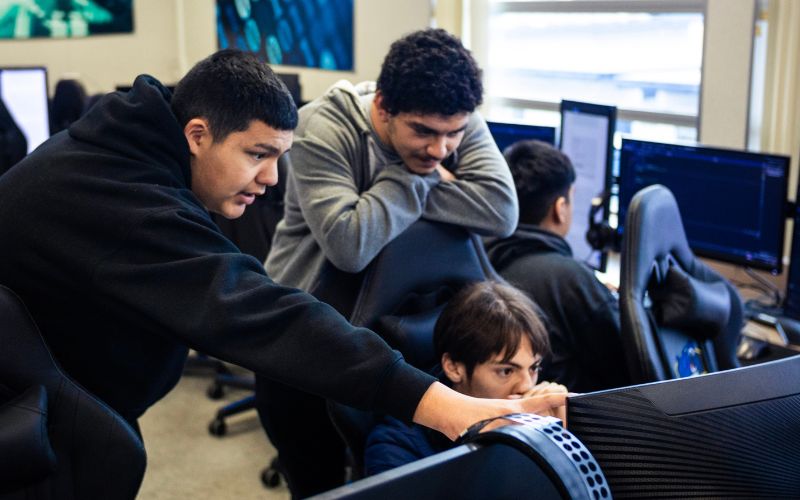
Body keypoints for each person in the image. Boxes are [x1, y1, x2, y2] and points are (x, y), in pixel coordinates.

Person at [0, 49, 565, 495]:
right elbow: (258, 311)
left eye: (279, 157)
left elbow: (499, 208)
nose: (272, 179)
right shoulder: (122, 199)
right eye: (257, 154)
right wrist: (450, 407)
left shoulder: (130, 147)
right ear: (197, 134)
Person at [261, 29, 519, 496]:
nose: (440, 150)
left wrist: (382, 193)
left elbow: (501, 211)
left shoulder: (457, 118)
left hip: (392, 332)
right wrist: (414, 178)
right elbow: (349, 243)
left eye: (453, 135)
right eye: (423, 131)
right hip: (299, 332)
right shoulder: (324, 127)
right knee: (319, 484)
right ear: (382, 106)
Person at [364, 280, 566, 475]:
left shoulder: (542, 418)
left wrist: (561, 443)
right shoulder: (397, 444)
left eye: (533, 368)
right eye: (506, 371)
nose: (526, 385)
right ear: (453, 368)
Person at [485, 140, 630, 393]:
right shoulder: (570, 279)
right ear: (560, 208)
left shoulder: (480, 255)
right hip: (572, 419)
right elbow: (632, 365)